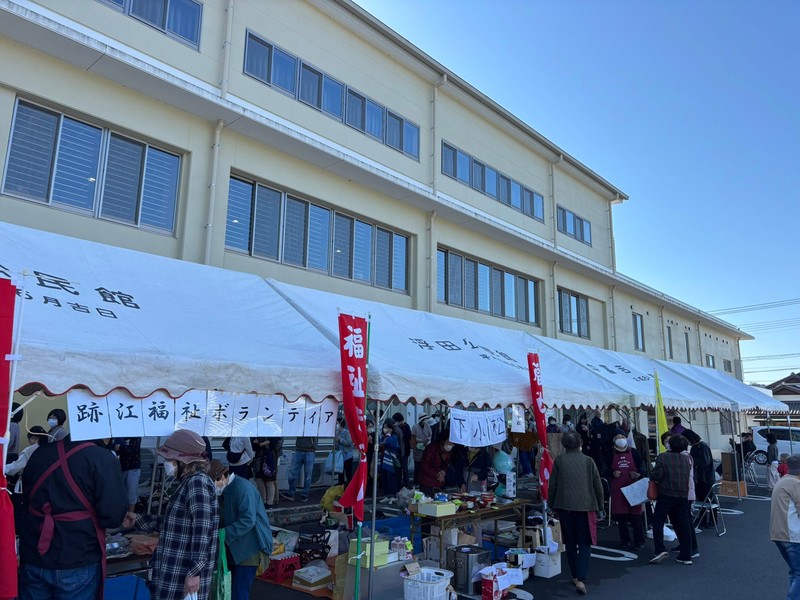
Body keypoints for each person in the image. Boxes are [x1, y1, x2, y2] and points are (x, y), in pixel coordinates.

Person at [19, 434, 127, 600]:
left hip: (34, 553)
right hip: (77, 555)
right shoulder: (103, 458)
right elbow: (112, 516)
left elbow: (24, 500)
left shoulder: (40, 453)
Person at [124, 430, 218, 600]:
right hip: (173, 575)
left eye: (169, 459)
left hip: (181, 578)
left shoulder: (197, 483)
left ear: (183, 460)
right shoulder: (188, 482)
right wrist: (138, 519)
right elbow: (174, 523)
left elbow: (202, 531)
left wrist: (194, 572)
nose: (166, 463)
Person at [548, 430, 603, 595]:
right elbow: (598, 485)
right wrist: (600, 507)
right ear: (580, 443)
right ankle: (581, 579)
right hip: (585, 507)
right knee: (585, 544)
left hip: (564, 507)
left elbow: (553, 485)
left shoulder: (559, 461)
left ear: (564, 445)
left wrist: (551, 505)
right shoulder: (588, 461)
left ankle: (574, 575)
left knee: (570, 543)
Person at [209, 461, 273, 600]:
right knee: (228, 591)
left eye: (212, 483)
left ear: (222, 477)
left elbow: (247, 520)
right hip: (234, 548)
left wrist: (222, 534)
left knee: (239, 593)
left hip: (248, 550)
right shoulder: (226, 489)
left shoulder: (242, 487)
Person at [649, 434, 693, 566]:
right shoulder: (686, 458)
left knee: (658, 521)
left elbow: (657, 474)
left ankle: (659, 549)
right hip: (683, 495)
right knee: (683, 524)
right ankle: (686, 555)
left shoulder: (663, 457)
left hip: (666, 493)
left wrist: (653, 477)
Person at [603, 434, 645, 549]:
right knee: (621, 517)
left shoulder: (634, 452)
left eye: (622, 437)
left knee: (636, 516)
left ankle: (639, 541)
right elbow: (604, 468)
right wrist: (612, 473)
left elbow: (642, 466)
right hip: (618, 488)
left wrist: (639, 473)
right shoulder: (609, 453)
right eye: (617, 438)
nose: (620, 439)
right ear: (613, 441)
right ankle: (625, 540)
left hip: (633, 487)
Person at [770, 454, 800, 600]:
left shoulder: (783, 481)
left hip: (779, 534)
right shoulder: (796, 484)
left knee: (795, 572)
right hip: (793, 535)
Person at [685, 430, 714, 527]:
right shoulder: (695, 447)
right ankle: (703, 519)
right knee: (701, 499)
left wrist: (691, 461)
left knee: (708, 499)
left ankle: (712, 520)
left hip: (706, 478)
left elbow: (705, 461)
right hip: (699, 477)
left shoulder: (703, 446)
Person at [281, 436, 317, 502]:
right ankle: (292, 492)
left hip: (310, 450)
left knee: (308, 475)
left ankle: (304, 494)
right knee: (292, 473)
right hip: (300, 449)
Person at [418, 429, 453, 496]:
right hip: (427, 484)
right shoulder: (431, 448)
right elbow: (424, 466)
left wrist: (443, 472)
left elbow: (446, 465)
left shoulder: (448, 452)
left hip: (440, 484)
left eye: (452, 443)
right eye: (449, 442)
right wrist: (437, 474)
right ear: (443, 441)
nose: (451, 445)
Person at [113, 437, 142, 512]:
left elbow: (133, 450)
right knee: (120, 494)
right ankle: (121, 514)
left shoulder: (136, 436)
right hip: (121, 467)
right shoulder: (120, 436)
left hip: (133, 468)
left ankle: (130, 514)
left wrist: (120, 447)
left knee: (131, 494)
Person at [379, 419, 401, 496]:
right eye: (385, 427)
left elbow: (389, 443)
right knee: (384, 478)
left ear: (392, 429)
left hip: (390, 461)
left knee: (390, 478)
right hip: (383, 460)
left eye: (388, 427)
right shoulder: (382, 437)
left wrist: (387, 437)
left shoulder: (394, 437)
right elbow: (380, 444)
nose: (386, 429)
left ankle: (392, 494)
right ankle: (386, 494)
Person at [411, 414, 432, 484]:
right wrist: (421, 440)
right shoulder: (415, 427)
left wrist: (427, 440)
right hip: (417, 448)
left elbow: (430, 435)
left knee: (424, 466)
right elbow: (413, 438)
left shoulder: (427, 426)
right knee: (417, 466)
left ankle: (423, 480)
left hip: (425, 448)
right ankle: (416, 481)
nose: (426, 420)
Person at [392, 412, 411, 488]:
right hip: (399, 451)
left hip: (405, 451)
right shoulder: (399, 427)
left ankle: (406, 483)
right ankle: (400, 483)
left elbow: (407, 438)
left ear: (399, 420)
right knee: (399, 467)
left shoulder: (406, 426)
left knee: (405, 468)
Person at [335, 418, 354, 485]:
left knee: (348, 473)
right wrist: (336, 442)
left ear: (341, 424)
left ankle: (350, 486)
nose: (336, 425)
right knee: (340, 473)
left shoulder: (347, 432)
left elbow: (348, 442)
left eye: (337, 423)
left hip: (347, 456)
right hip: (340, 456)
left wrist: (340, 439)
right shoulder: (337, 433)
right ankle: (341, 487)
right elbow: (336, 445)